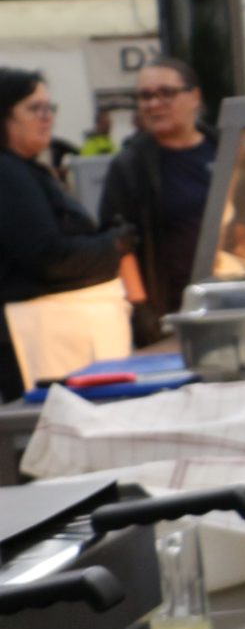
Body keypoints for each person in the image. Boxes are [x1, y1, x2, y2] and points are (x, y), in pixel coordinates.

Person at [0, 69, 134, 403]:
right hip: (42, 338)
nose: (47, 118)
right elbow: (48, 257)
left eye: (49, 108)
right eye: (34, 108)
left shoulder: (25, 170)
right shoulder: (9, 173)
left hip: (59, 333)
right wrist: (113, 246)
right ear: (5, 116)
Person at [98, 56, 216, 344]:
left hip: (226, 299)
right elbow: (118, 243)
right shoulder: (129, 166)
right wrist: (142, 312)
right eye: (145, 96)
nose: (154, 104)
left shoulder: (223, 149)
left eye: (166, 93)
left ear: (195, 97)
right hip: (168, 314)